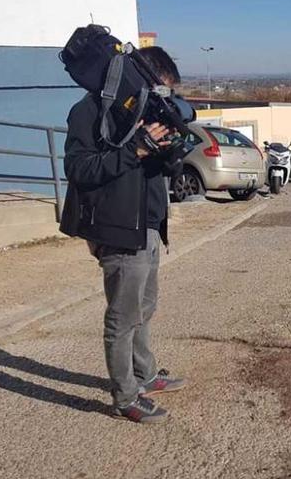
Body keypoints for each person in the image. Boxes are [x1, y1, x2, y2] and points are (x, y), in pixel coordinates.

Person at [60, 46, 187, 424]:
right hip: (117, 230)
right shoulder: (90, 110)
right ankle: (126, 397)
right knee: (122, 316)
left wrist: (168, 153)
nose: (163, 98)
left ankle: (144, 375)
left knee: (144, 309)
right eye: (162, 89)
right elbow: (79, 168)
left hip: (147, 227)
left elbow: (148, 168)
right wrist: (136, 148)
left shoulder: (141, 112)